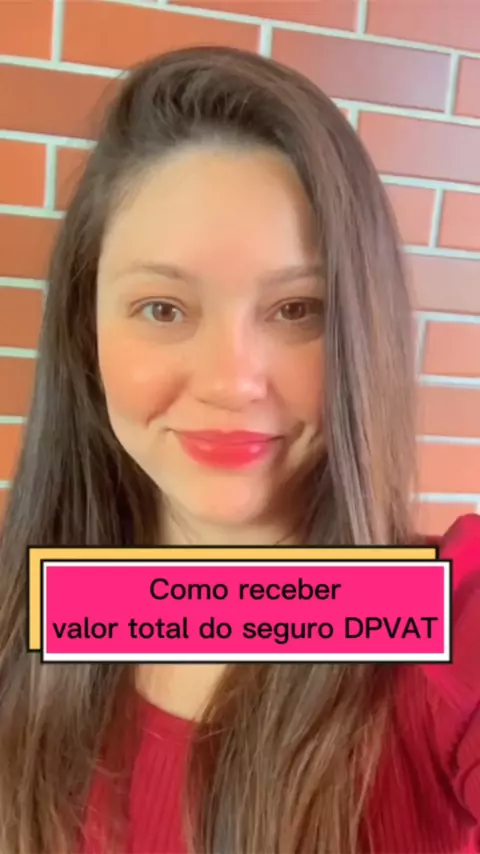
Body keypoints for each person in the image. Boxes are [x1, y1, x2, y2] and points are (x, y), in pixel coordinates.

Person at [0, 45, 478, 854]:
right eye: (162, 308)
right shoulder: (30, 613)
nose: (231, 383)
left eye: (297, 309)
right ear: (86, 332)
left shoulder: (451, 615)